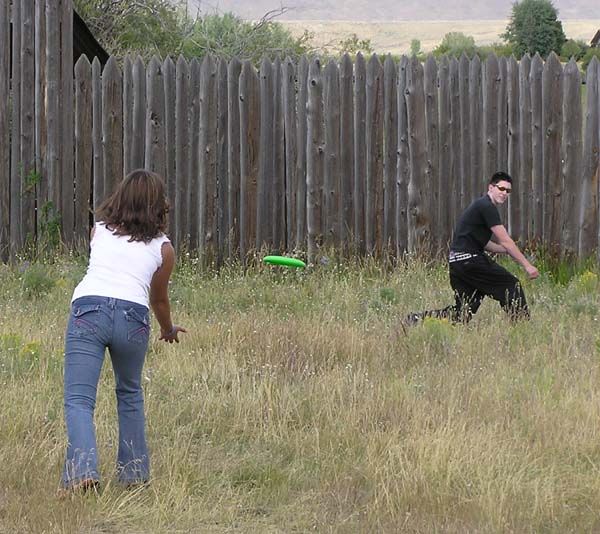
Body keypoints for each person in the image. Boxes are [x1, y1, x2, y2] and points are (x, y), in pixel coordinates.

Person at [60, 169, 186, 493]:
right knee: (129, 394)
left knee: (79, 400)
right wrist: (168, 329)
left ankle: (83, 472)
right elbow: (158, 299)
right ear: (159, 206)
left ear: (121, 197)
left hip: (88, 309)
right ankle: (133, 475)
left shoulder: (98, 231)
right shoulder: (164, 249)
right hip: (133, 316)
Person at [407, 171, 539, 325]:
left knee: (463, 312)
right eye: (501, 189)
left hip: (458, 263)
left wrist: (506, 250)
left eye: (508, 191)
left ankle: (416, 320)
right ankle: (522, 329)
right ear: (491, 188)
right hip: (470, 261)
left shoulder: (479, 206)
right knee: (511, 286)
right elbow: (506, 240)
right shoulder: (486, 206)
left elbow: (484, 243)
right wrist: (527, 265)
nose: (504, 193)